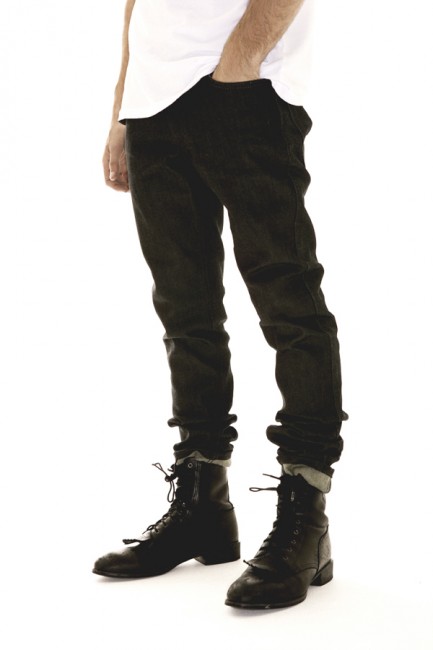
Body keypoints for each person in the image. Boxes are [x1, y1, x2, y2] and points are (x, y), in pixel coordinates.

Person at [93, 0, 348, 609]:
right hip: (152, 105)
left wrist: (238, 65)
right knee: (185, 313)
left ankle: (305, 515)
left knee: (290, 306)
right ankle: (202, 505)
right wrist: (124, 106)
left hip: (245, 94)